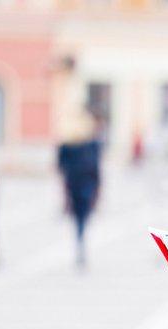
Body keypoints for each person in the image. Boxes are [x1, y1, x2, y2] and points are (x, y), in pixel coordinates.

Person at [57, 109, 102, 269]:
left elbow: (61, 167)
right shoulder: (78, 145)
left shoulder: (88, 144)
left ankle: (80, 239)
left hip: (79, 183)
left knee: (80, 216)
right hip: (80, 184)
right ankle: (80, 239)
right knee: (81, 215)